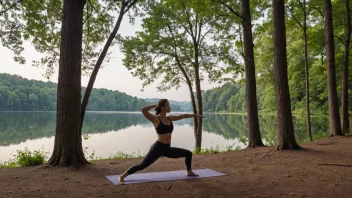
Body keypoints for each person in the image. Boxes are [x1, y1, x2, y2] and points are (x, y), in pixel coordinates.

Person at [118, 98, 205, 184]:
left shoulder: (169, 119)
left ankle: (189, 172)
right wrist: (156, 105)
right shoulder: (156, 119)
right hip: (157, 148)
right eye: (167, 105)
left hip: (167, 149)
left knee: (188, 153)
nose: (170, 107)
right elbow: (143, 110)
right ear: (162, 107)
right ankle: (122, 176)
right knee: (141, 166)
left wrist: (195, 115)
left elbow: (182, 116)